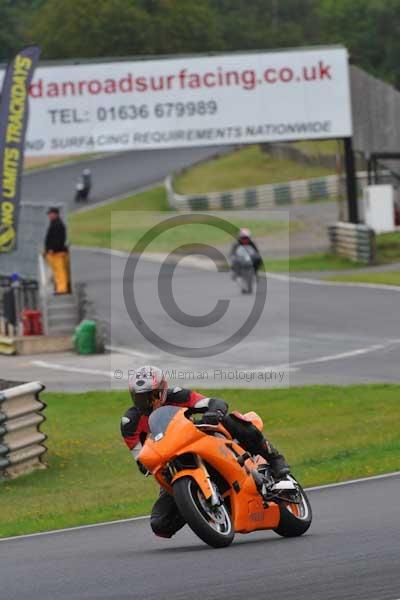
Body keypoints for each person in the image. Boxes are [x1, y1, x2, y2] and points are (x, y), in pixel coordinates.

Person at [121, 365, 289, 539]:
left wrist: (213, 412)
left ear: (163, 390)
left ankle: (275, 458)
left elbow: (214, 402)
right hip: (172, 465)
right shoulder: (130, 422)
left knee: (230, 419)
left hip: (199, 439)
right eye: (140, 398)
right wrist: (146, 464)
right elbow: (140, 458)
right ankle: (199, 505)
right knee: (160, 524)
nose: (148, 403)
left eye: (152, 396)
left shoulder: (178, 395)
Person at [44, 207, 70, 294]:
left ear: (55, 214)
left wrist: (52, 249)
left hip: (57, 252)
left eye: (50, 214)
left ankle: (62, 289)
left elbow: (59, 239)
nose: (49, 216)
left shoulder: (57, 224)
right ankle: (60, 287)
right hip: (55, 252)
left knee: (60, 271)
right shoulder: (54, 223)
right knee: (57, 271)